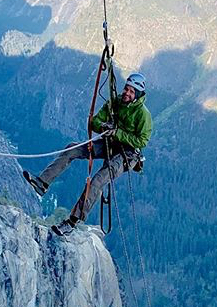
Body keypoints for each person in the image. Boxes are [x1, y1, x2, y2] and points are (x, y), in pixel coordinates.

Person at [24, 72, 152, 237]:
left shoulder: (143, 115)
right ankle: (42, 183)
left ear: (138, 95)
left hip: (127, 155)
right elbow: (95, 122)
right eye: (126, 89)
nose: (127, 93)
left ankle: (72, 222)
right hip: (110, 144)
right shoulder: (115, 103)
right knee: (72, 149)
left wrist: (117, 133)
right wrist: (105, 126)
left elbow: (142, 141)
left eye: (132, 91)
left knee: (97, 181)